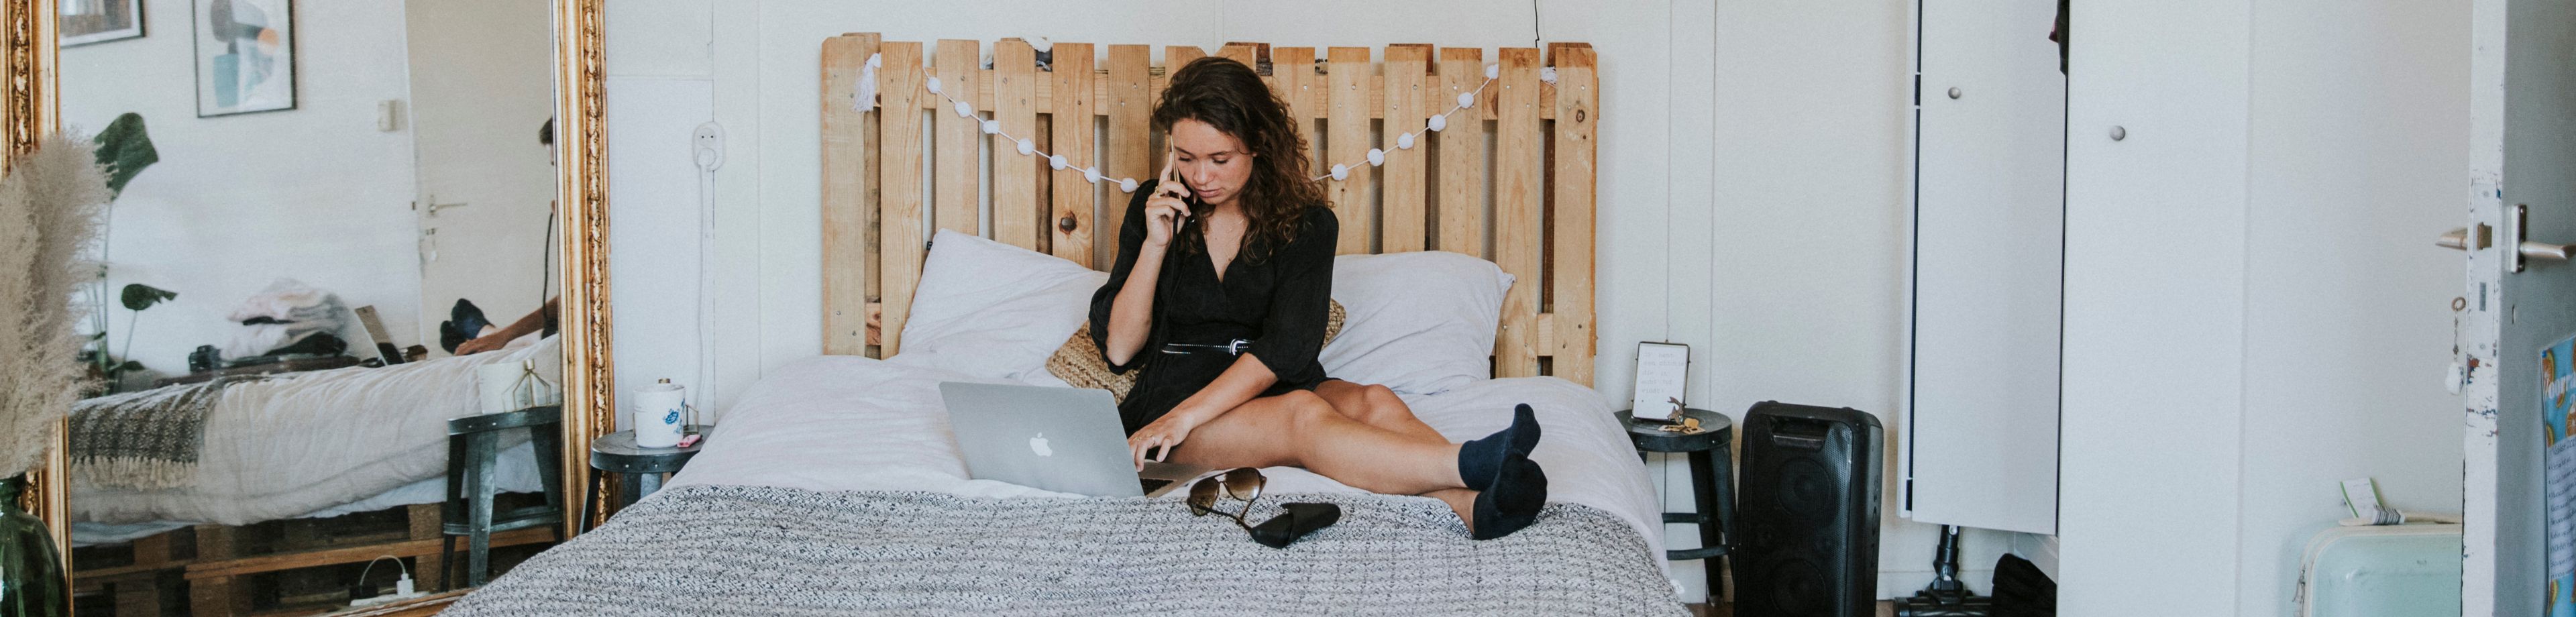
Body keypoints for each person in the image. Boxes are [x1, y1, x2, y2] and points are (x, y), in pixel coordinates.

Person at [1093, 57, 1548, 540]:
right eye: (1186, 158)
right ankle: (1467, 462)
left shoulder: (1307, 222)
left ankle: (1475, 505)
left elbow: (1288, 347)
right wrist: (1155, 243)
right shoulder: (1155, 207)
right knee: (1303, 417)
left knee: (1376, 400)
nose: (1201, 177)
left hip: (1275, 383)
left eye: (1219, 159)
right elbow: (1120, 350)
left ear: (1258, 147)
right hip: (1178, 403)